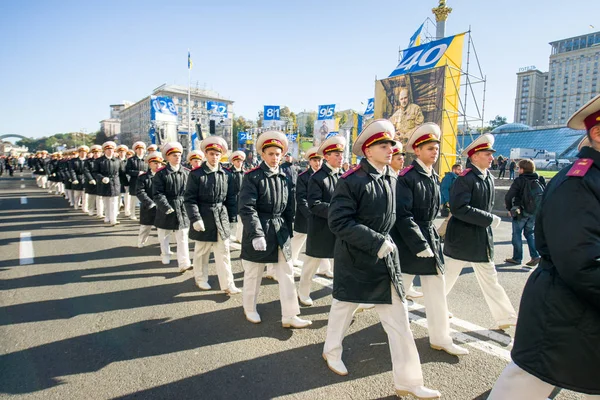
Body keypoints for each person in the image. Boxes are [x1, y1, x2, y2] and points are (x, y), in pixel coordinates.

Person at [488, 94, 600, 400]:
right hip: (562, 315)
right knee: (520, 389)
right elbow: (580, 261)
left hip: (577, 314)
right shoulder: (581, 181)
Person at [323, 119, 440, 399]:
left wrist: (414, 243)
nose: (391, 149)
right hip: (356, 258)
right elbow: (338, 222)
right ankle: (331, 351)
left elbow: (396, 218)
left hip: (386, 259)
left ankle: (409, 381)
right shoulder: (352, 181)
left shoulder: (391, 177)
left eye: (391, 145)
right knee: (343, 309)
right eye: (383, 145)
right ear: (368, 150)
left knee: (399, 320)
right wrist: (376, 241)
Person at [390, 123, 468, 356]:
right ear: (418, 150)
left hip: (428, 238)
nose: (435, 152)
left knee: (435, 288)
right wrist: (419, 244)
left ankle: (441, 337)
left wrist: (429, 241)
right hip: (409, 241)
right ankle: (389, 324)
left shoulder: (432, 175)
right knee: (396, 287)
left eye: (436, 148)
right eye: (430, 148)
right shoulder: (407, 177)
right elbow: (403, 215)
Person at [442, 133, 518, 330]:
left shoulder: (486, 178)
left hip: (479, 238)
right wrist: (489, 219)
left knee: (490, 278)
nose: (492, 157)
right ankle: (436, 308)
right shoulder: (465, 179)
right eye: (487, 154)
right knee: (447, 278)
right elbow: (459, 208)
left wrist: (486, 221)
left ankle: (506, 317)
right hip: (462, 237)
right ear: (474, 156)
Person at [238, 131, 311, 328]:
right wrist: (256, 233)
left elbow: (288, 208)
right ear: (262, 155)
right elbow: (247, 207)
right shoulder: (252, 177)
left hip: (280, 230)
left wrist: (289, 230)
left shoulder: (284, 178)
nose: (275, 157)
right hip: (260, 229)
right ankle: (249, 307)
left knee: (287, 272)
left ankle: (290, 315)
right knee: (254, 272)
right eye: (270, 153)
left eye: (278, 154)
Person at [184, 137, 241, 295]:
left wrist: (232, 219)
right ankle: (200, 278)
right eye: (211, 153)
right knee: (202, 251)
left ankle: (228, 284)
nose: (214, 157)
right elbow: (189, 199)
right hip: (204, 214)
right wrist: (195, 218)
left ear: (221, 155)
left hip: (220, 215)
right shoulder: (196, 174)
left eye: (217, 154)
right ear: (205, 154)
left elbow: (230, 198)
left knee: (224, 251)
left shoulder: (226, 174)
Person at [297, 136, 346, 305]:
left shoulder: (343, 176)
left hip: (339, 227)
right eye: (337, 155)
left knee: (340, 263)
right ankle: (303, 292)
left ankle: (341, 294)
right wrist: (338, 211)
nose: (341, 158)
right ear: (327, 156)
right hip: (321, 227)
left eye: (341, 154)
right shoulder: (317, 178)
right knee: (311, 263)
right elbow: (314, 204)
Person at [152, 142, 192, 272]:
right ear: (167, 158)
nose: (177, 157)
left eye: (179, 155)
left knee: (183, 237)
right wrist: (165, 206)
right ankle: (165, 254)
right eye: (174, 155)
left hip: (182, 208)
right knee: (164, 234)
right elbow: (157, 193)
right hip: (166, 207)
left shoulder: (187, 173)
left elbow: (191, 192)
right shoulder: (161, 174)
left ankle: (184, 262)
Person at [504, 159, 546, 267]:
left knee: (517, 234)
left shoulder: (520, 180)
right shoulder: (539, 179)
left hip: (521, 211)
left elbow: (509, 196)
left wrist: (509, 208)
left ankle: (517, 258)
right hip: (534, 212)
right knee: (530, 233)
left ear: (522, 169)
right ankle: (535, 255)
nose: (518, 170)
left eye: (519, 168)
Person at [290, 146, 322, 267]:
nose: (317, 163)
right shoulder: (303, 176)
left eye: (319, 160)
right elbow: (301, 198)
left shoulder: (323, 175)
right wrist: (309, 214)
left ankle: (325, 268)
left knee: (321, 239)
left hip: (320, 214)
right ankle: (291, 259)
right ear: (310, 161)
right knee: (299, 238)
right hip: (305, 214)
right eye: (314, 160)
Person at [136, 151, 162, 248]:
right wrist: (149, 202)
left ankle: (163, 246)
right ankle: (141, 242)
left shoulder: (164, 176)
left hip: (161, 206)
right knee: (145, 226)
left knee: (162, 228)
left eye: (159, 163)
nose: (157, 165)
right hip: (148, 206)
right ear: (150, 164)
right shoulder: (143, 177)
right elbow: (140, 191)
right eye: (155, 163)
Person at [94, 141, 123, 226]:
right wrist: (102, 178)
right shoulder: (99, 161)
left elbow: (121, 173)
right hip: (104, 183)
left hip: (115, 183)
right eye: (108, 149)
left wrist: (125, 182)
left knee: (114, 201)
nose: (110, 151)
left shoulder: (117, 161)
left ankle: (113, 219)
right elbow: (95, 172)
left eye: (111, 149)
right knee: (106, 201)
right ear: (104, 151)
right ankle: (107, 216)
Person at [438, 163, 463, 239]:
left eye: (461, 169)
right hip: (449, 201)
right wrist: (448, 201)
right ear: (454, 169)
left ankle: (445, 234)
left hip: (455, 201)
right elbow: (444, 189)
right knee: (450, 218)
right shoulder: (449, 177)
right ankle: (439, 233)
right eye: (459, 169)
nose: (461, 171)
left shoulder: (457, 178)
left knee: (452, 218)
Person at [125, 141, 147, 221]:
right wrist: (137, 173)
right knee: (133, 199)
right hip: (135, 181)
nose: (140, 150)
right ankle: (132, 214)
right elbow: (127, 170)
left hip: (145, 182)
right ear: (135, 150)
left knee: (144, 199)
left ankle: (144, 215)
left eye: (142, 149)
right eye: (138, 149)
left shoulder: (146, 160)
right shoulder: (131, 160)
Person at [227, 150, 245, 243]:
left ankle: (239, 237)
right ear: (233, 162)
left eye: (241, 161)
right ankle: (227, 238)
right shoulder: (228, 173)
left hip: (241, 200)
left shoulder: (245, 173)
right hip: (231, 200)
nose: (239, 163)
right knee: (231, 221)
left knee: (241, 221)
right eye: (237, 161)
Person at [83, 145, 102, 217]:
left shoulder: (102, 160)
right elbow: (86, 171)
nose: (96, 154)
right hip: (91, 181)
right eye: (95, 153)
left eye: (98, 153)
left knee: (100, 197)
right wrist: (91, 179)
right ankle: (91, 210)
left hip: (100, 181)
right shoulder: (88, 161)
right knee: (91, 197)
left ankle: (100, 212)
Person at [69, 145, 89, 210]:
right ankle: (76, 204)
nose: (83, 154)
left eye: (84, 152)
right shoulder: (73, 161)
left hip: (86, 179)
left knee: (85, 195)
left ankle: (84, 207)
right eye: (81, 152)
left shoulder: (88, 161)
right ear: (79, 153)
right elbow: (72, 171)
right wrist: (74, 179)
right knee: (77, 194)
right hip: (77, 178)